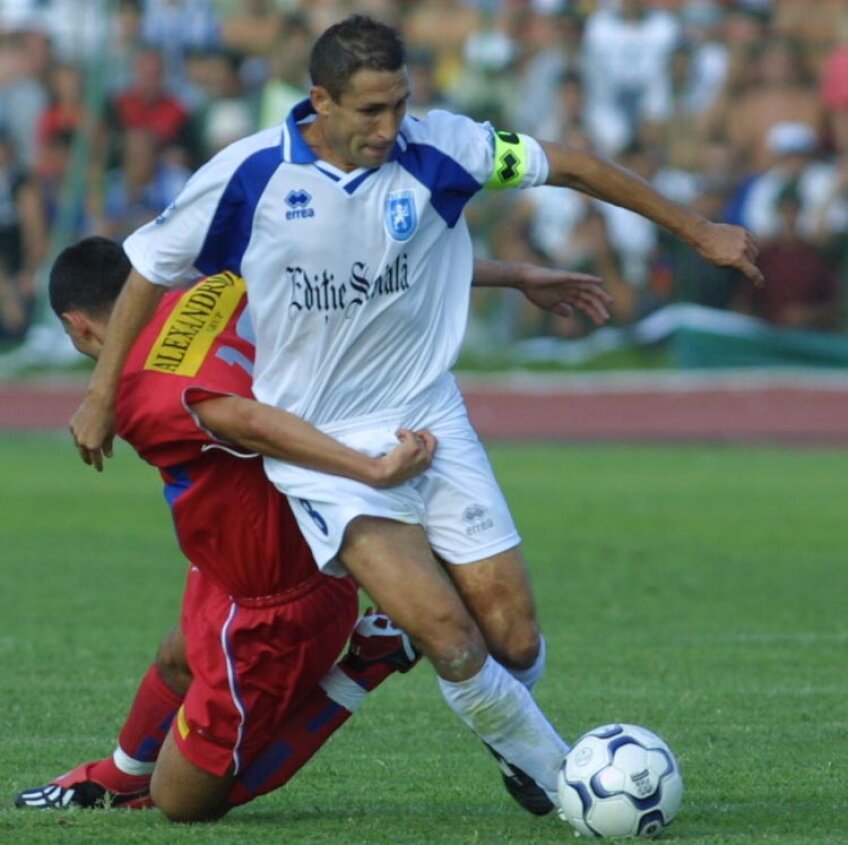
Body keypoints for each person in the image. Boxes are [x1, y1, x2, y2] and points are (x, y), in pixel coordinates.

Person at [68, 14, 760, 817]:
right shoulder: (247, 176)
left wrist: (699, 229)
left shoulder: (443, 147)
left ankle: (521, 744)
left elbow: (566, 167)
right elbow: (147, 270)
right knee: (452, 638)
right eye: (370, 111)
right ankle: (569, 787)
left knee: (515, 640)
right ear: (318, 101)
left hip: (430, 415)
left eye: (399, 104)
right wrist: (99, 392)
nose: (390, 127)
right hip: (324, 447)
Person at [18, 236, 432, 821]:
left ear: (78, 326)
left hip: (271, 611)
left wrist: (371, 469)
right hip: (235, 568)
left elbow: (244, 419)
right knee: (177, 657)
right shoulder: (214, 288)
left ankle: (373, 657)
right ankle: (112, 778)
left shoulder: (144, 394)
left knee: (181, 803)